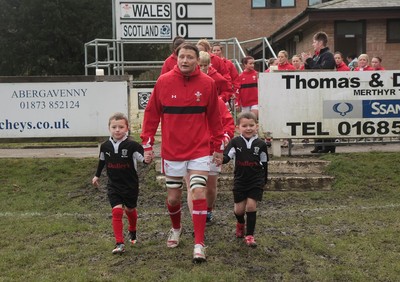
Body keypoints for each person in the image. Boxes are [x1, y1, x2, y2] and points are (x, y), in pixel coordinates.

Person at [140, 42, 225, 263]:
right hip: (172, 151)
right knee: (174, 198)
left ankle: (199, 243)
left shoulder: (207, 84)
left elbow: (215, 119)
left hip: (199, 150)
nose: (185, 60)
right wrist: (147, 145)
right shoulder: (163, 82)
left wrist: (217, 147)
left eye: (190, 57)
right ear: (176, 59)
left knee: (198, 193)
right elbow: (151, 116)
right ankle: (176, 229)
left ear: (198, 60)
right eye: (182, 57)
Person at [92, 112, 146, 255]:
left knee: (129, 210)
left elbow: (144, 159)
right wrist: (97, 176)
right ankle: (119, 243)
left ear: (127, 128)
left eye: (121, 127)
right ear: (109, 128)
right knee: (116, 211)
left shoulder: (133, 145)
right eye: (114, 127)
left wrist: (148, 157)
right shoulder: (105, 146)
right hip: (113, 185)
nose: (117, 130)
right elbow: (102, 161)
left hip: (130, 185)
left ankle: (132, 230)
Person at [223, 112, 268, 248]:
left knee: (251, 206)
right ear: (238, 128)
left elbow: (265, 163)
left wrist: (264, 179)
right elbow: (227, 157)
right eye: (244, 126)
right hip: (240, 181)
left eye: (251, 125)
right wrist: (220, 159)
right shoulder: (235, 142)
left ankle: (250, 236)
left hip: (255, 180)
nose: (248, 128)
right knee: (239, 210)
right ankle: (240, 223)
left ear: (256, 126)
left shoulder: (261, 144)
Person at [301, 31, 336, 154]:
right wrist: (306, 62)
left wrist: (310, 60)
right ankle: (318, 144)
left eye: (314, 42)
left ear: (321, 43)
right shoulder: (317, 56)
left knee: (326, 119)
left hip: (326, 93)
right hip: (316, 93)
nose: (313, 44)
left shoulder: (328, 56)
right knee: (316, 118)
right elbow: (311, 72)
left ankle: (328, 146)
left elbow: (322, 71)